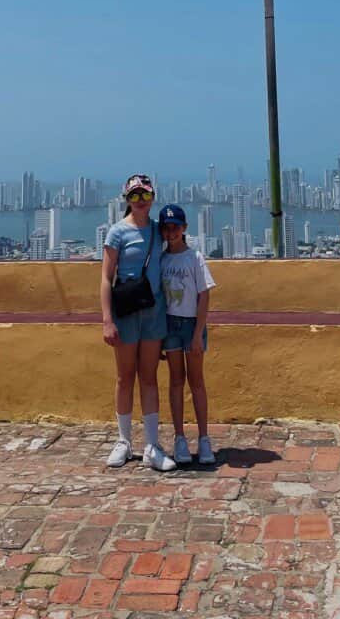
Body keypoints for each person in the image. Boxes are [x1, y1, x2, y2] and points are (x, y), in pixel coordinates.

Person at [100, 174, 175, 471]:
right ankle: (123, 440)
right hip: (126, 312)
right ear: (127, 200)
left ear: (153, 197)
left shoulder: (159, 233)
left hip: (153, 311)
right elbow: (106, 278)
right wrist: (107, 319)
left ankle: (152, 445)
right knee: (124, 377)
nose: (141, 201)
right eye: (135, 196)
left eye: (145, 195)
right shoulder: (117, 233)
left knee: (149, 377)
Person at [159, 204, 216, 465]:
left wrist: (197, 333)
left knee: (197, 381)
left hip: (192, 324)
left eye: (176, 227)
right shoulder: (161, 260)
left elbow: (204, 295)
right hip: (169, 325)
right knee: (175, 381)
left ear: (184, 229)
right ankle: (179, 437)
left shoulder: (195, 258)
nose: (171, 232)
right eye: (167, 227)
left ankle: (204, 437)